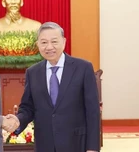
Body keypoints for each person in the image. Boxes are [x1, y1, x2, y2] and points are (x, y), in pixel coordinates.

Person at [8, 22, 100, 152]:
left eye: (54, 41)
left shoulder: (83, 68)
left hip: (76, 143)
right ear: (38, 45)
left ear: (64, 42)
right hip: (45, 144)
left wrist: (92, 147)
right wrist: (17, 120)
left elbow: (93, 111)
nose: (49, 47)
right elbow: (28, 107)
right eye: (44, 42)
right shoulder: (33, 72)